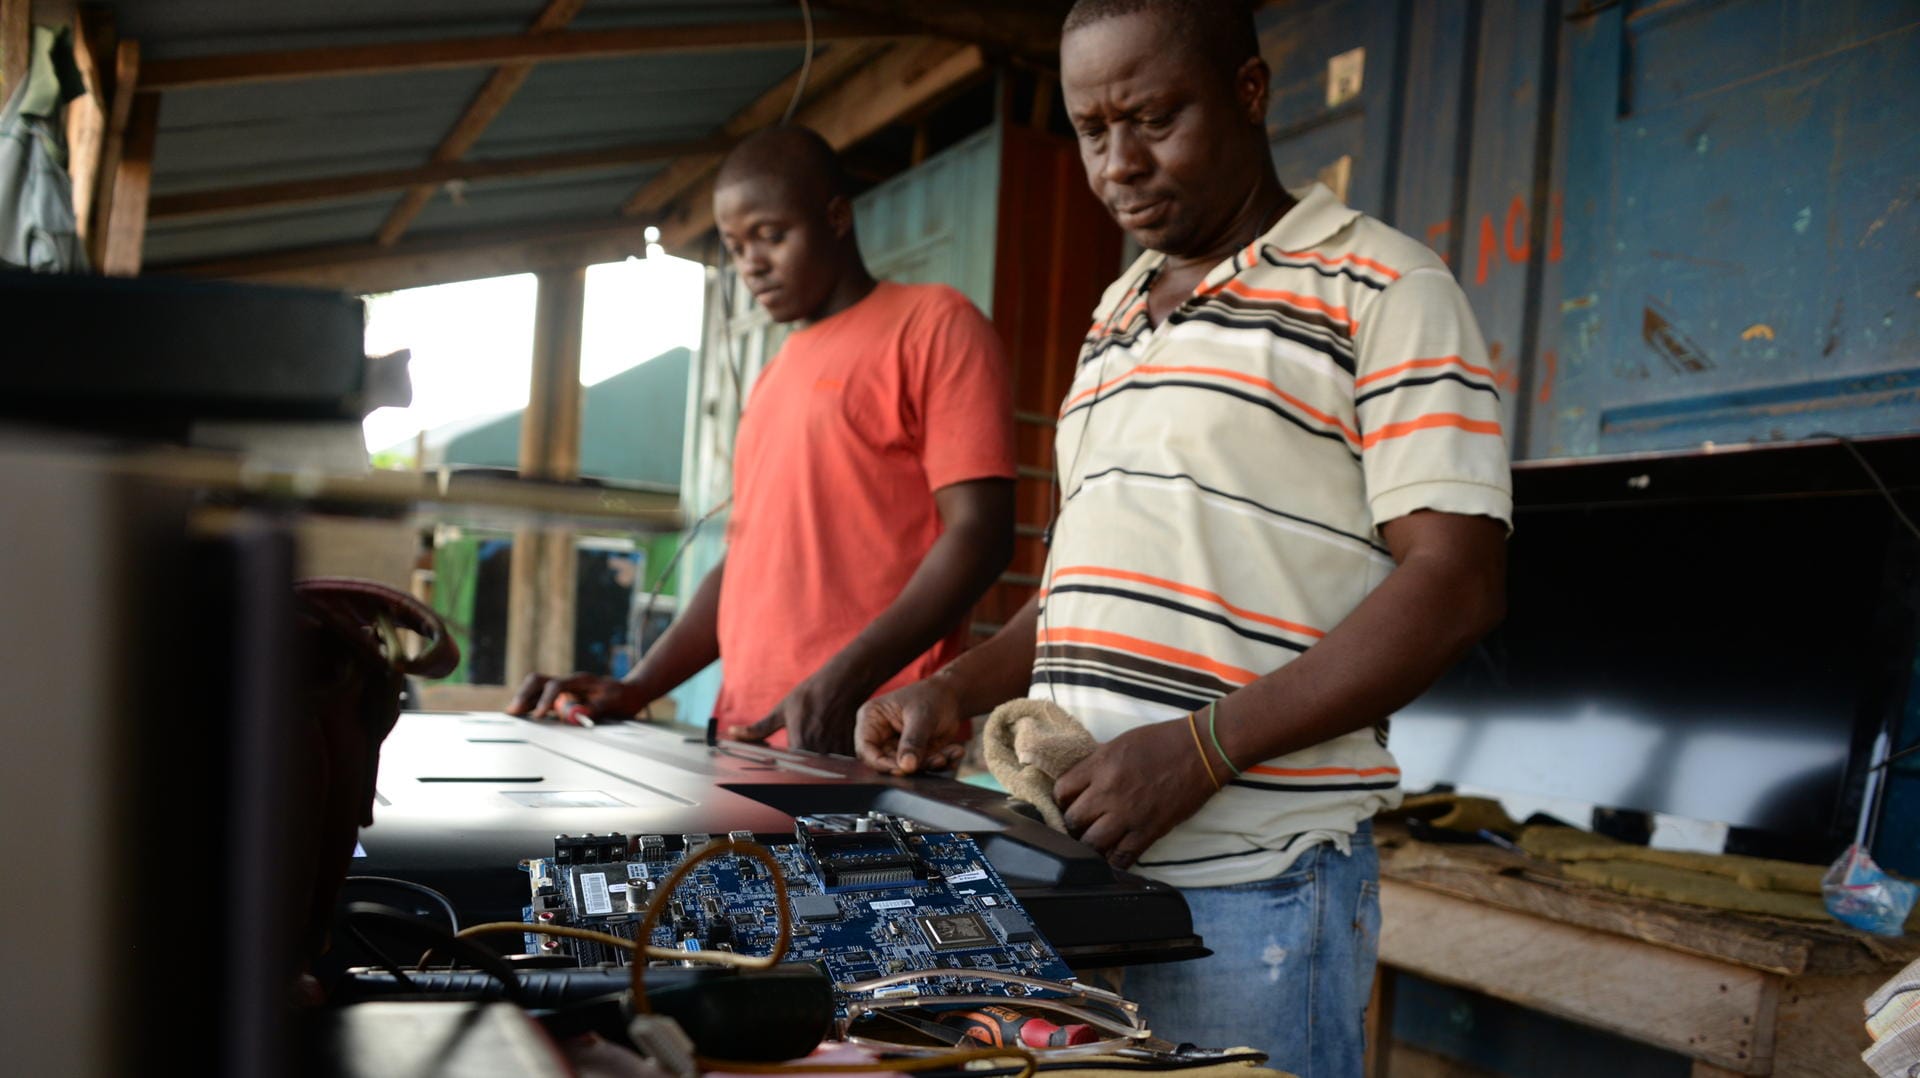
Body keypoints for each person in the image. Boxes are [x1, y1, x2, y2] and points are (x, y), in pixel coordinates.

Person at [854, 2, 1511, 1073]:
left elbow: (1458, 581)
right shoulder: (1115, 314)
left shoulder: (1385, 288)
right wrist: (958, 687)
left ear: (1249, 93)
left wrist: (1206, 747)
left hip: (1257, 890)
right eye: (1092, 129)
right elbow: (1077, 591)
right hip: (1074, 883)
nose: (1119, 163)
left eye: (1155, 118)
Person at [510, 126, 1017, 756]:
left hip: (872, 739)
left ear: (835, 217)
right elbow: (746, 563)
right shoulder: (776, 374)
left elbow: (982, 532)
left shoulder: (933, 324)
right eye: (734, 245)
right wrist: (638, 687)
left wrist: (847, 678)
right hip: (748, 736)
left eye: (772, 236)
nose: (751, 263)